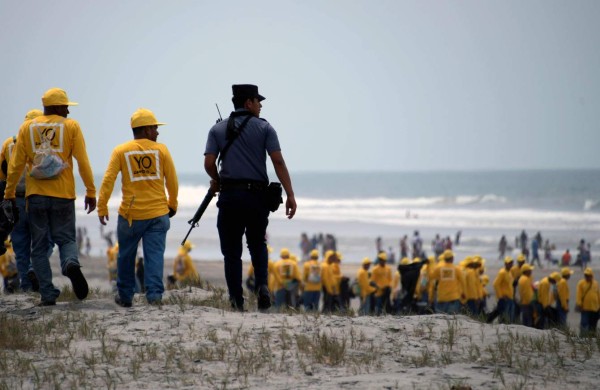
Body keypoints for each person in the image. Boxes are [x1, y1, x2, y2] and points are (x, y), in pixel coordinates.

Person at [204, 84, 296, 312]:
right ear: (248, 103)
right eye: (258, 101)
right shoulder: (265, 128)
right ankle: (263, 286)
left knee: (232, 252)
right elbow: (278, 162)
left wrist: (216, 179)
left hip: (230, 197)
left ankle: (236, 301)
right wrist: (291, 194)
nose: (261, 105)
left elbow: (208, 163)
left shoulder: (217, 130)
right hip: (257, 198)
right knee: (257, 243)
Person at [4, 88, 96, 305]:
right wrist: (91, 191)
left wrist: (9, 194)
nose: (68, 112)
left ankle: (47, 293)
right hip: (63, 195)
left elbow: (16, 165)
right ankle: (70, 264)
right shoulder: (71, 127)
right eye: (65, 107)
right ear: (55, 106)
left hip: (35, 196)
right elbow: (83, 162)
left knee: (37, 246)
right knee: (66, 239)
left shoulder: (27, 127)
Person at [98, 108, 178, 307]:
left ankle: (125, 296)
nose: (158, 132)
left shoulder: (121, 151)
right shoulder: (162, 150)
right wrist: (173, 204)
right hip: (158, 214)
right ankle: (154, 296)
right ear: (145, 130)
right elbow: (172, 181)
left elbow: (108, 180)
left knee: (126, 255)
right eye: (155, 128)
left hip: (130, 215)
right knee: (154, 256)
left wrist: (102, 206)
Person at [0, 109, 45, 292]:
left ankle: (26, 286)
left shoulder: (8, 144)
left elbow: (2, 176)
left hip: (15, 200)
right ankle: (36, 272)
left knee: (19, 246)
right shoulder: (44, 143)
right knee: (42, 241)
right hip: (37, 198)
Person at [429, 250, 465, 315]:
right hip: (453, 298)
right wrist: (464, 293)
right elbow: (463, 282)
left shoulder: (439, 268)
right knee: (452, 319)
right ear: (452, 258)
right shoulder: (456, 269)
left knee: (440, 320)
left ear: (444, 258)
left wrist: (428, 266)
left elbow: (431, 277)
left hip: (441, 298)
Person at [488, 256, 515, 324]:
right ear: (505, 264)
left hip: (510, 298)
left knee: (507, 315)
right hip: (504, 298)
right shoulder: (502, 272)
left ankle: (489, 321)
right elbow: (495, 284)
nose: (510, 264)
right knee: (503, 315)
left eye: (511, 263)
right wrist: (501, 296)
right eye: (509, 263)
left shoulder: (509, 272)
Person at [575, 268, 600, 336]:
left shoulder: (595, 283)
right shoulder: (581, 283)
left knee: (593, 325)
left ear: (591, 275)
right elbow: (578, 295)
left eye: (588, 275)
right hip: (585, 308)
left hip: (595, 308)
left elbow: (598, 295)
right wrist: (579, 304)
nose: (587, 276)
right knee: (584, 323)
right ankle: (583, 337)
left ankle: (592, 337)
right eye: (585, 275)